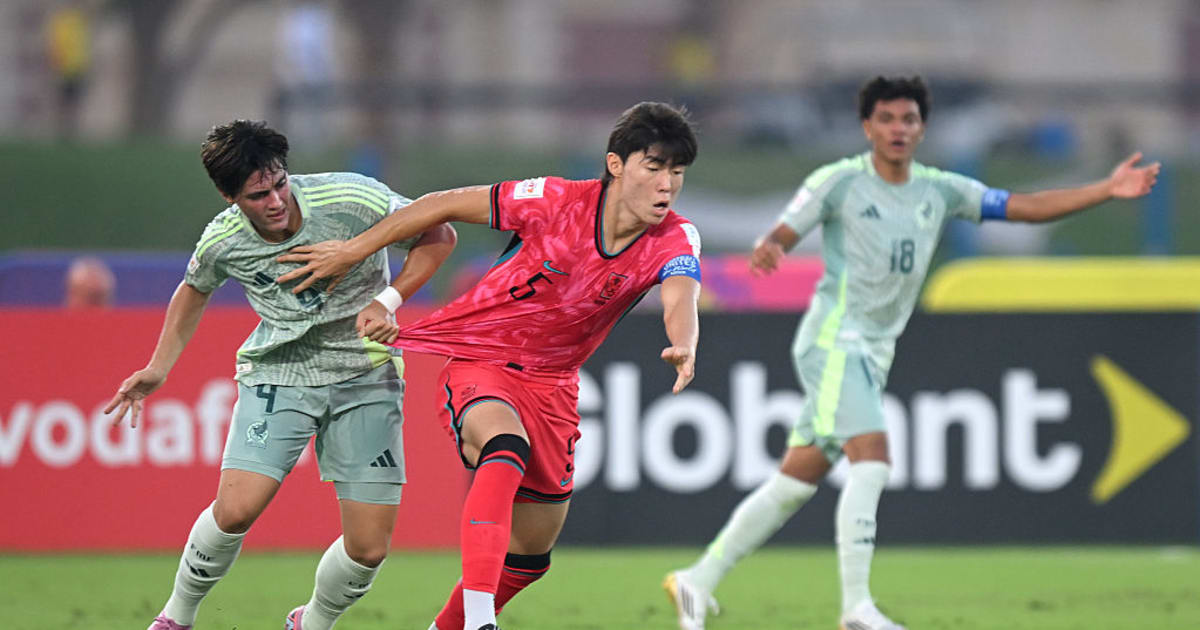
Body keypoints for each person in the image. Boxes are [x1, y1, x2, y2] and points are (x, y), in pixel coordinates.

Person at [665, 75, 1160, 630]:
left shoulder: (940, 190)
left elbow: (1022, 206)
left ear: (922, 128)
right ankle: (856, 610)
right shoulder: (840, 181)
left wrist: (1103, 190)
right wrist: (771, 247)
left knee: (793, 482)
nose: (898, 129)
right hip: (835, 339)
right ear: (867, 126)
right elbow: (783, 228)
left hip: (874, 350)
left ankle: (697, 580)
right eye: (887, 119)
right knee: (872, 459)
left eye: (908, 119)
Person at [276, 101, 704, 630]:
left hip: (554, 385)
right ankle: (481, 621)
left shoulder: (676, 237)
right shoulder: (553, 200)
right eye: (654, 167)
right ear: (616, 164)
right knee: (504, 446)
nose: (667, 185)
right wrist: (354, 255)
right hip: (483, 357)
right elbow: (441, 205)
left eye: (677, 172)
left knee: (530, 555)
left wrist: (683, 342)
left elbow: (681, 297)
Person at [104, 120, 457, 630]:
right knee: (236, 510)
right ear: (229, 196)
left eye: (279, 184)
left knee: (369, 548)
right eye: (257, 194)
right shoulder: (224, 239)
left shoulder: (350, 198)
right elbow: (193, 287)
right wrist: (159, 368)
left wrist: (388, 299)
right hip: (280, 372)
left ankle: (309, 623)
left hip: (366, 373)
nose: (274, 201)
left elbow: (438, 233)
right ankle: (176, 618)